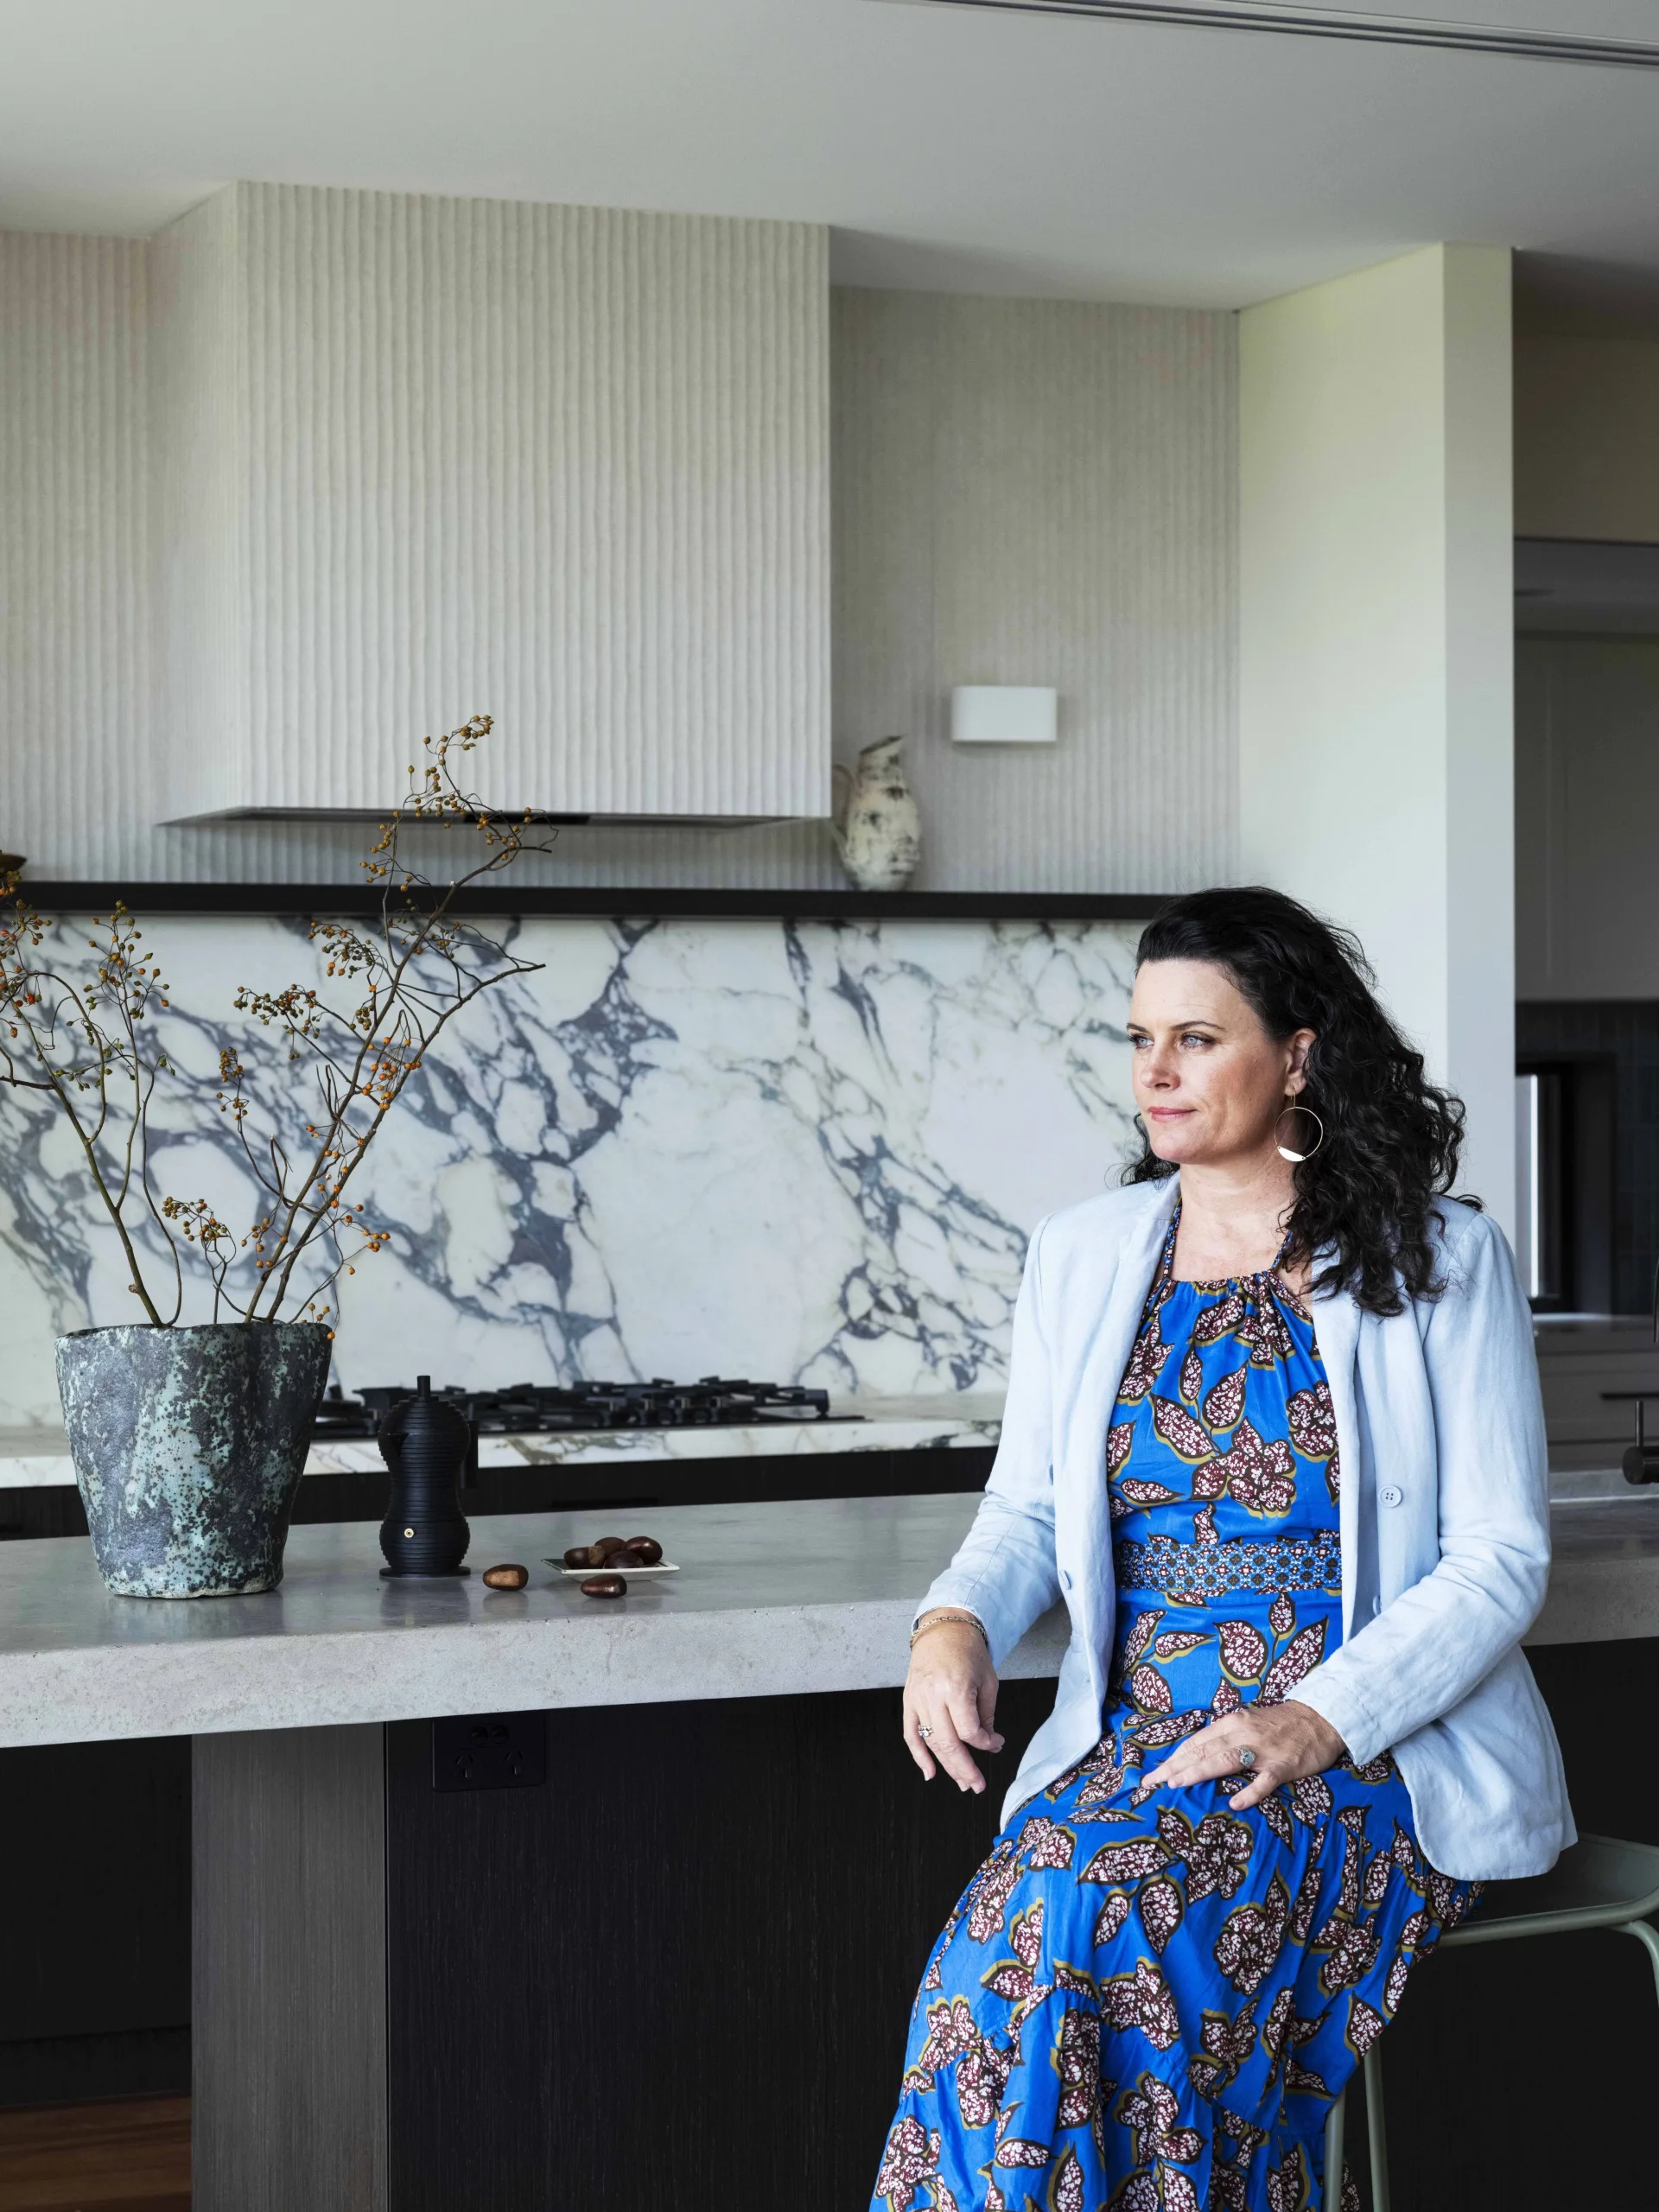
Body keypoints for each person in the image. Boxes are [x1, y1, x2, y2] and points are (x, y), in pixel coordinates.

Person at [871, 887, 1570, 2212]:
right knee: (1003, 1961)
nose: (1157, 1072)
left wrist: (1316, 1720)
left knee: (1101, 1918)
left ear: (1298, 1056)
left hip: (1365, 1753)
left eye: (1196, 1039)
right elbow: (1025, 1512)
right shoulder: (1082, 1254)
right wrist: (953, 1621)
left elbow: (1498, 1558)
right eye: (1141, 1040)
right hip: (1136, 1743)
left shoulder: (1440, 1257)